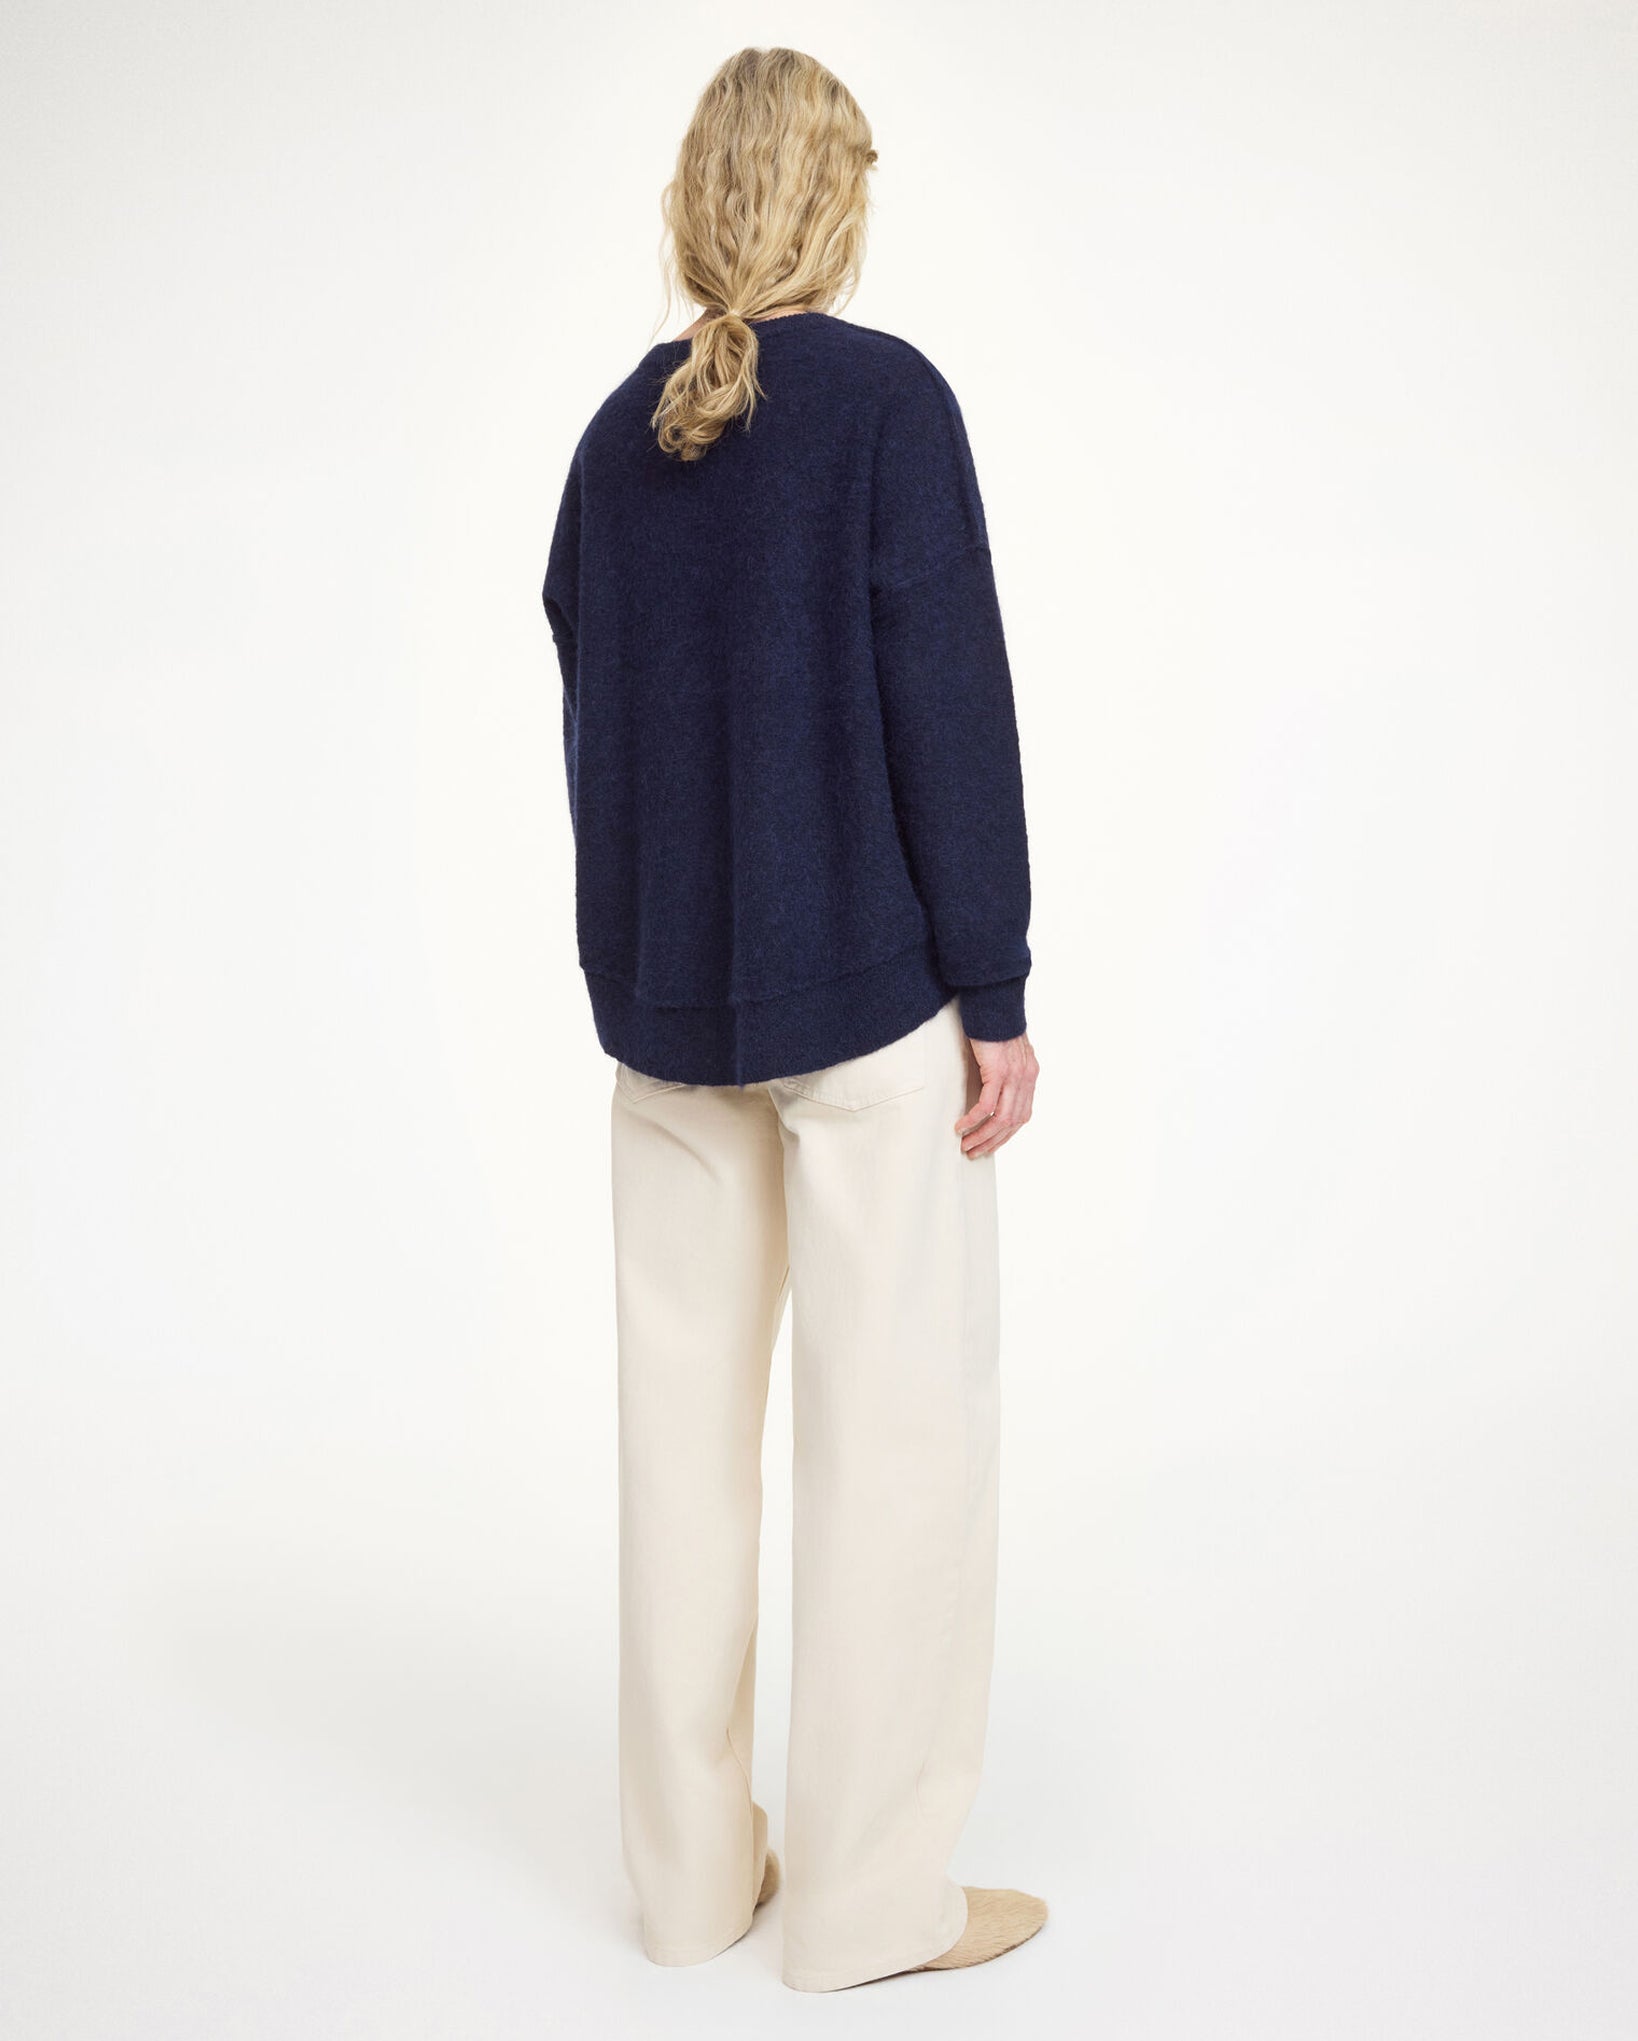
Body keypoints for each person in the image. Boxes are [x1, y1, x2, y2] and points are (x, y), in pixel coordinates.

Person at [541, 45, 1044, 1993]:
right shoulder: (889, 405)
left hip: (664, 1024)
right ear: (838, 202)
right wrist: (993, 983)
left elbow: (593, 725)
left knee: (675, 1457)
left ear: (694, 205)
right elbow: (951, 705)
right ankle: (866, 1906)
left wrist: (636, 968)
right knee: (892, 1440)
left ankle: (688, 1887)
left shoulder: (616, 438)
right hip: (868, 1009)